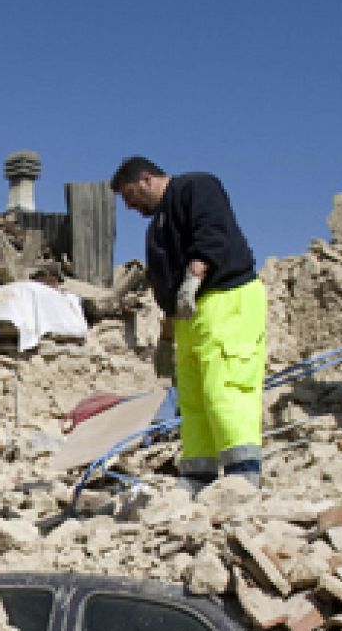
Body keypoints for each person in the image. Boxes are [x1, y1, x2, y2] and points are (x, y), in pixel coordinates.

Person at [110, 156, 268, 490]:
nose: (130, 206)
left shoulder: (195, 187)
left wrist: (195, 277)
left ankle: (243, 470)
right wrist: (167, 340)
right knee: (192, 397)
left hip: (226, 298)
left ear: (146, 179)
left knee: (225, 385)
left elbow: (211, 232)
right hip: (188, 317)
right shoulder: (157, 229)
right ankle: (198, 472)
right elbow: (167, 290)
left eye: (130, 195)